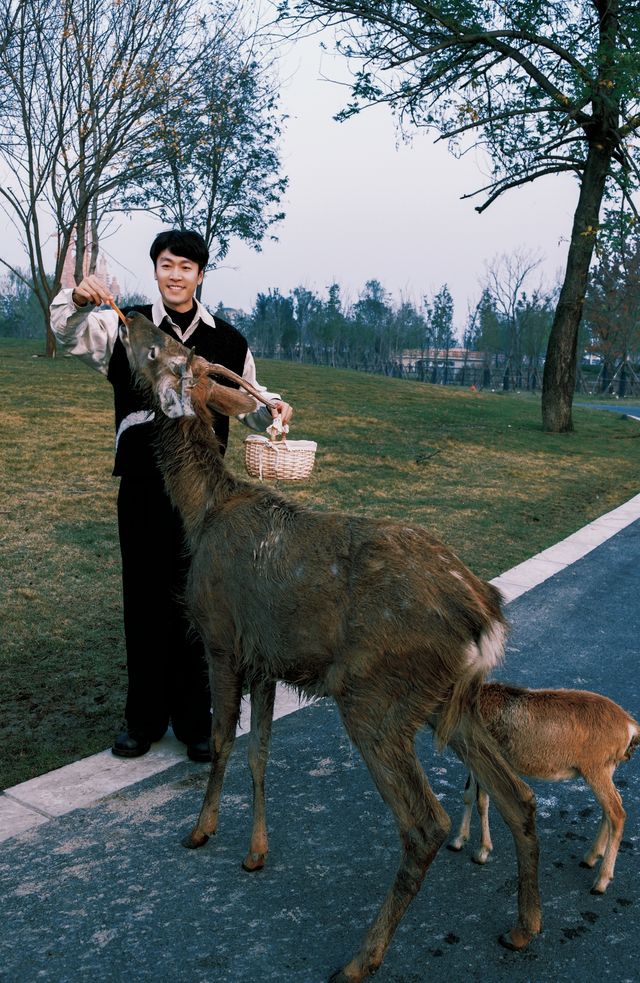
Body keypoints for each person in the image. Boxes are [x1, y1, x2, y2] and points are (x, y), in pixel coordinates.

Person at [50, 229, 293, 762]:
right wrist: (78, 298)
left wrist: (273, 407)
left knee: (201, 604)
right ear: (156, 270)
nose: (175, 274)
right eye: (166, 264)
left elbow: (248, 399)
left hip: (205, 500)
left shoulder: (228, 341)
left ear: (200, 275)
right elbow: (68, 334)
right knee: (144, 601)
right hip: (142, 487)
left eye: (186, 266)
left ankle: (195, 722)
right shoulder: (124, 327)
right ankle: (143, 720)